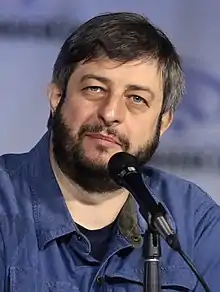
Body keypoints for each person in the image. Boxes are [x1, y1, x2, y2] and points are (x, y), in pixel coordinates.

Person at [0, 12, 219, 292]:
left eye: (136, 99)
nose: (110, 113)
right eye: (95, 88)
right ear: (57, 98)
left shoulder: (196, 221)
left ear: (163, 123)